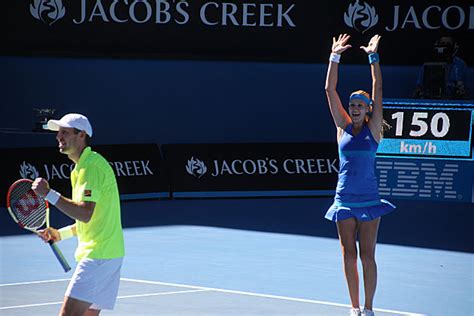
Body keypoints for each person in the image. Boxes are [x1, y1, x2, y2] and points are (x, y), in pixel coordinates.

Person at [324, 34, 396, 316]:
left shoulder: (374, 129)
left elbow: (377, 88)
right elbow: (330, 90)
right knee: (348, 255)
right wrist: (334, 57)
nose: (354, 109)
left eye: (359, 106)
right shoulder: (341, 126)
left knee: (367, 255)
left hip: (369, 200)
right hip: (343, 200)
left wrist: (373, 57)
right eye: (352, 105)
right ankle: (354, 308)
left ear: (368, 110)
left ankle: (368, 308)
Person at [32, 113, 125, 316]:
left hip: (98, 257)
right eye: (58, 133)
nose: (59, 137)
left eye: (64, 132)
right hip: (109, 254)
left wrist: (49, 194)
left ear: (81, 135)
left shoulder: (91, 167)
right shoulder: (82, 167)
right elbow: (92, 220)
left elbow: (85, 214)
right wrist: (60, 234)